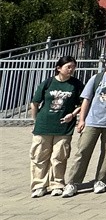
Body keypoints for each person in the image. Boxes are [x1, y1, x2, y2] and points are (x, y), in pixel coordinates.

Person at [61, 51, 106, 197]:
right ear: (105, 63)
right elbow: (86, 99)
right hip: (92, 121)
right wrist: (82, 120)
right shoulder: (96, 78)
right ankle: (72, 182)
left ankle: (101, 180)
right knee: (82, 151)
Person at [29, 56, 84, 198]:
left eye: (73, 67)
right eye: (68, 67)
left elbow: (82, 103)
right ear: (59, 68)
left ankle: (57, 184)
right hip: (44, 125)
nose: (71, 70)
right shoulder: (48, 83)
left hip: (64, 127)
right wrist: (36, 120)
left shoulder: (76, 84)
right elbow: (35, 102)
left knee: (59, 157)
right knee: (39, 156)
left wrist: (73, 114)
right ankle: (39, 185)